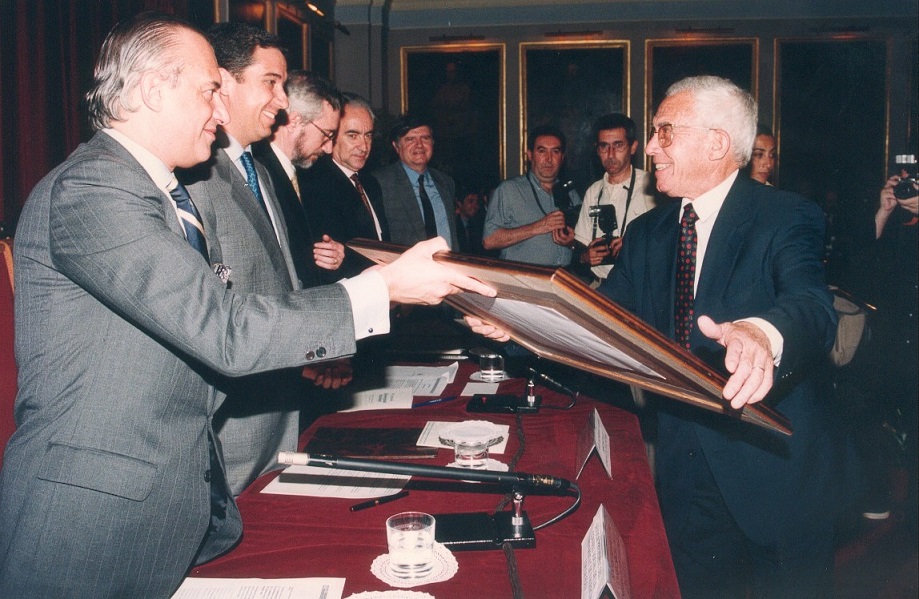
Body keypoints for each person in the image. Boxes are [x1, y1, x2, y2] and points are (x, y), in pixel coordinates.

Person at [0, 14, 495, 597]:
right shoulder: (93, 189)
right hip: (92, 524)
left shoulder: (153, 190)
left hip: (171, 502)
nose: (220, 110)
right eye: (209, 91)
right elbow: (222, 329)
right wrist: (382, 287)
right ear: (154, 90)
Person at [472, 75, 842, 597]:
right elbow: (599, 323)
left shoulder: (784, 215)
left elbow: (812, 306)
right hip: (683, 465)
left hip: (769, 472)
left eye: (664, 132)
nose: (649, 148)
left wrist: (762, 334)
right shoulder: (650, 233)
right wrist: (513, 322)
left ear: (717, 143)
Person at [184, 24, 351, 496]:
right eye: (271, 83)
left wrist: (316, 348)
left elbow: (284, 280)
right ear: (224, 81)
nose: (282, 100)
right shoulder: (194, 177)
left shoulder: (257, 169)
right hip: (236, 433)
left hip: (279, 418)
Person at [250, 70, 345, 289]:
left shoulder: (310, 176)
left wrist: (334, 255)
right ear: (294, 122)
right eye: (327, 135)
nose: (329, 148)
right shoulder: (258, 174)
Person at [300, 92, 390, 279]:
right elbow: (322, 254)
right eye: (353, 135)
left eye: (368, 135)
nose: (364, 146)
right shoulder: (316, 185)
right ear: (331, 137)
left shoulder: (370, 183)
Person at [573, 113, 656, 283]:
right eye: (604, 146)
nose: (610, 154)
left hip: (636, 288)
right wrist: (585, 256)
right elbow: (578, 251)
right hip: (599, 286)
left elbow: (667, 245)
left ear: (633, 147)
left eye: (618, 145)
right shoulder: (593, 191)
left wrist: (632, 246)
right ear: (597, 150)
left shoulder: (652, 187)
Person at [482, 124, 581, 266]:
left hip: (562, 276)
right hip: (521, 278)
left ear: (562, 157)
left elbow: (582, 242)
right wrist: (538, 226)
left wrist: (572, 243)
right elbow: (489, 241)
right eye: (542, 151)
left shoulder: (571, 193)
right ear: (530, 155)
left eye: (555, 152)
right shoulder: (509, 190)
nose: (548, 159)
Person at [372, 114, 458, 250]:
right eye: (410, 139)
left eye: (425, 138)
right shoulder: (380, 182)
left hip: (446, 262)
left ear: (432, 143)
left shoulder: (446, 182)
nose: (419, 145)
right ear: (396, 146)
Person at [455, 186, 488, 255]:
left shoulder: (477, 224)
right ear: (459, 203)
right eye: (471, 201)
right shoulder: (454, 225)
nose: (475, 206)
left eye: (477, 202)